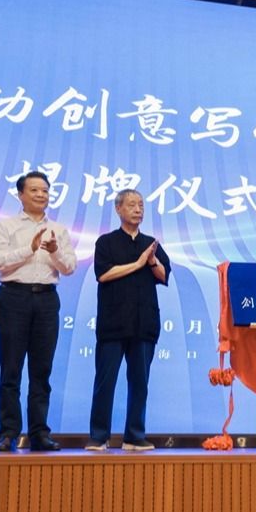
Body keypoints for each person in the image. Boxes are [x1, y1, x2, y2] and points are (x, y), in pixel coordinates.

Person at [0, 170, 77, 452]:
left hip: (47, 300)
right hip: (13, 298)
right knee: (11, 368)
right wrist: (29, 249)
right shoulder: (6, 226)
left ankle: (39, 434)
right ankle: (8, 434)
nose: (41, 195)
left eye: (45, 191)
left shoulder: (58, 230)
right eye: (35, 190)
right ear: (21, 194)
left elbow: (69, 267)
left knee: (41, 371)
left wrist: (54, 251)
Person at [85, 189, 171, 451]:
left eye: (141, 205)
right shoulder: (106, 242)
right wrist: (137, 263)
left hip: (144, 323)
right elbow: (103, 274)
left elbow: (164, 275)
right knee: (105, 382)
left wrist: (152, 261)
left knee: (139, 383)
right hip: (113, 324)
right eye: (132, 204)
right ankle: (99, 436)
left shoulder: (151, 243)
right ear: (118, 209)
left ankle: (134, 436)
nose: (138, 209)